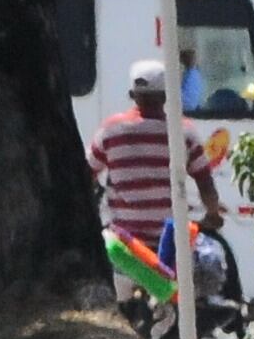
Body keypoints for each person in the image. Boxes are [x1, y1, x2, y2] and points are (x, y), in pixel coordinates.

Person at [89, 58, 226, 269]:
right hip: (169, 243)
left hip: (124, 245)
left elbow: (86, 173)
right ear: (166, 95)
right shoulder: (184, 132)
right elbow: (205, 183)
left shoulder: (110, 130)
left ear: (133, 95)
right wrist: (213, 214)